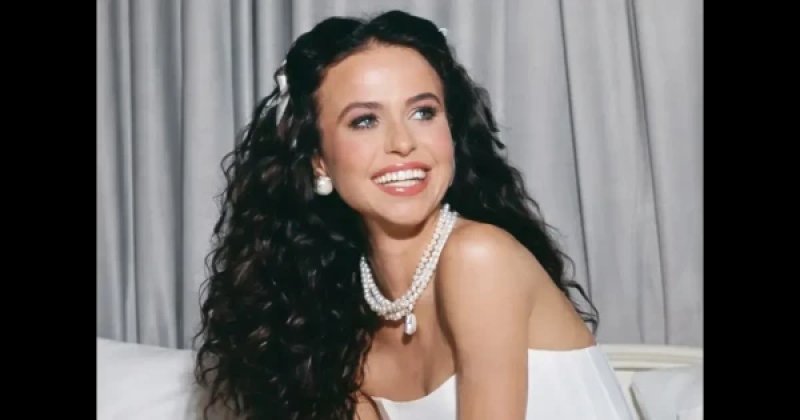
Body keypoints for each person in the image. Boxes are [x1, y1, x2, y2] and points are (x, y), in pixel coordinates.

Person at [193, 9, 633, 420]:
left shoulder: (480, 257)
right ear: (318, 162)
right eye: (365, 121)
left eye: (423, 112)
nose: (403, 143)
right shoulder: (337, 324)